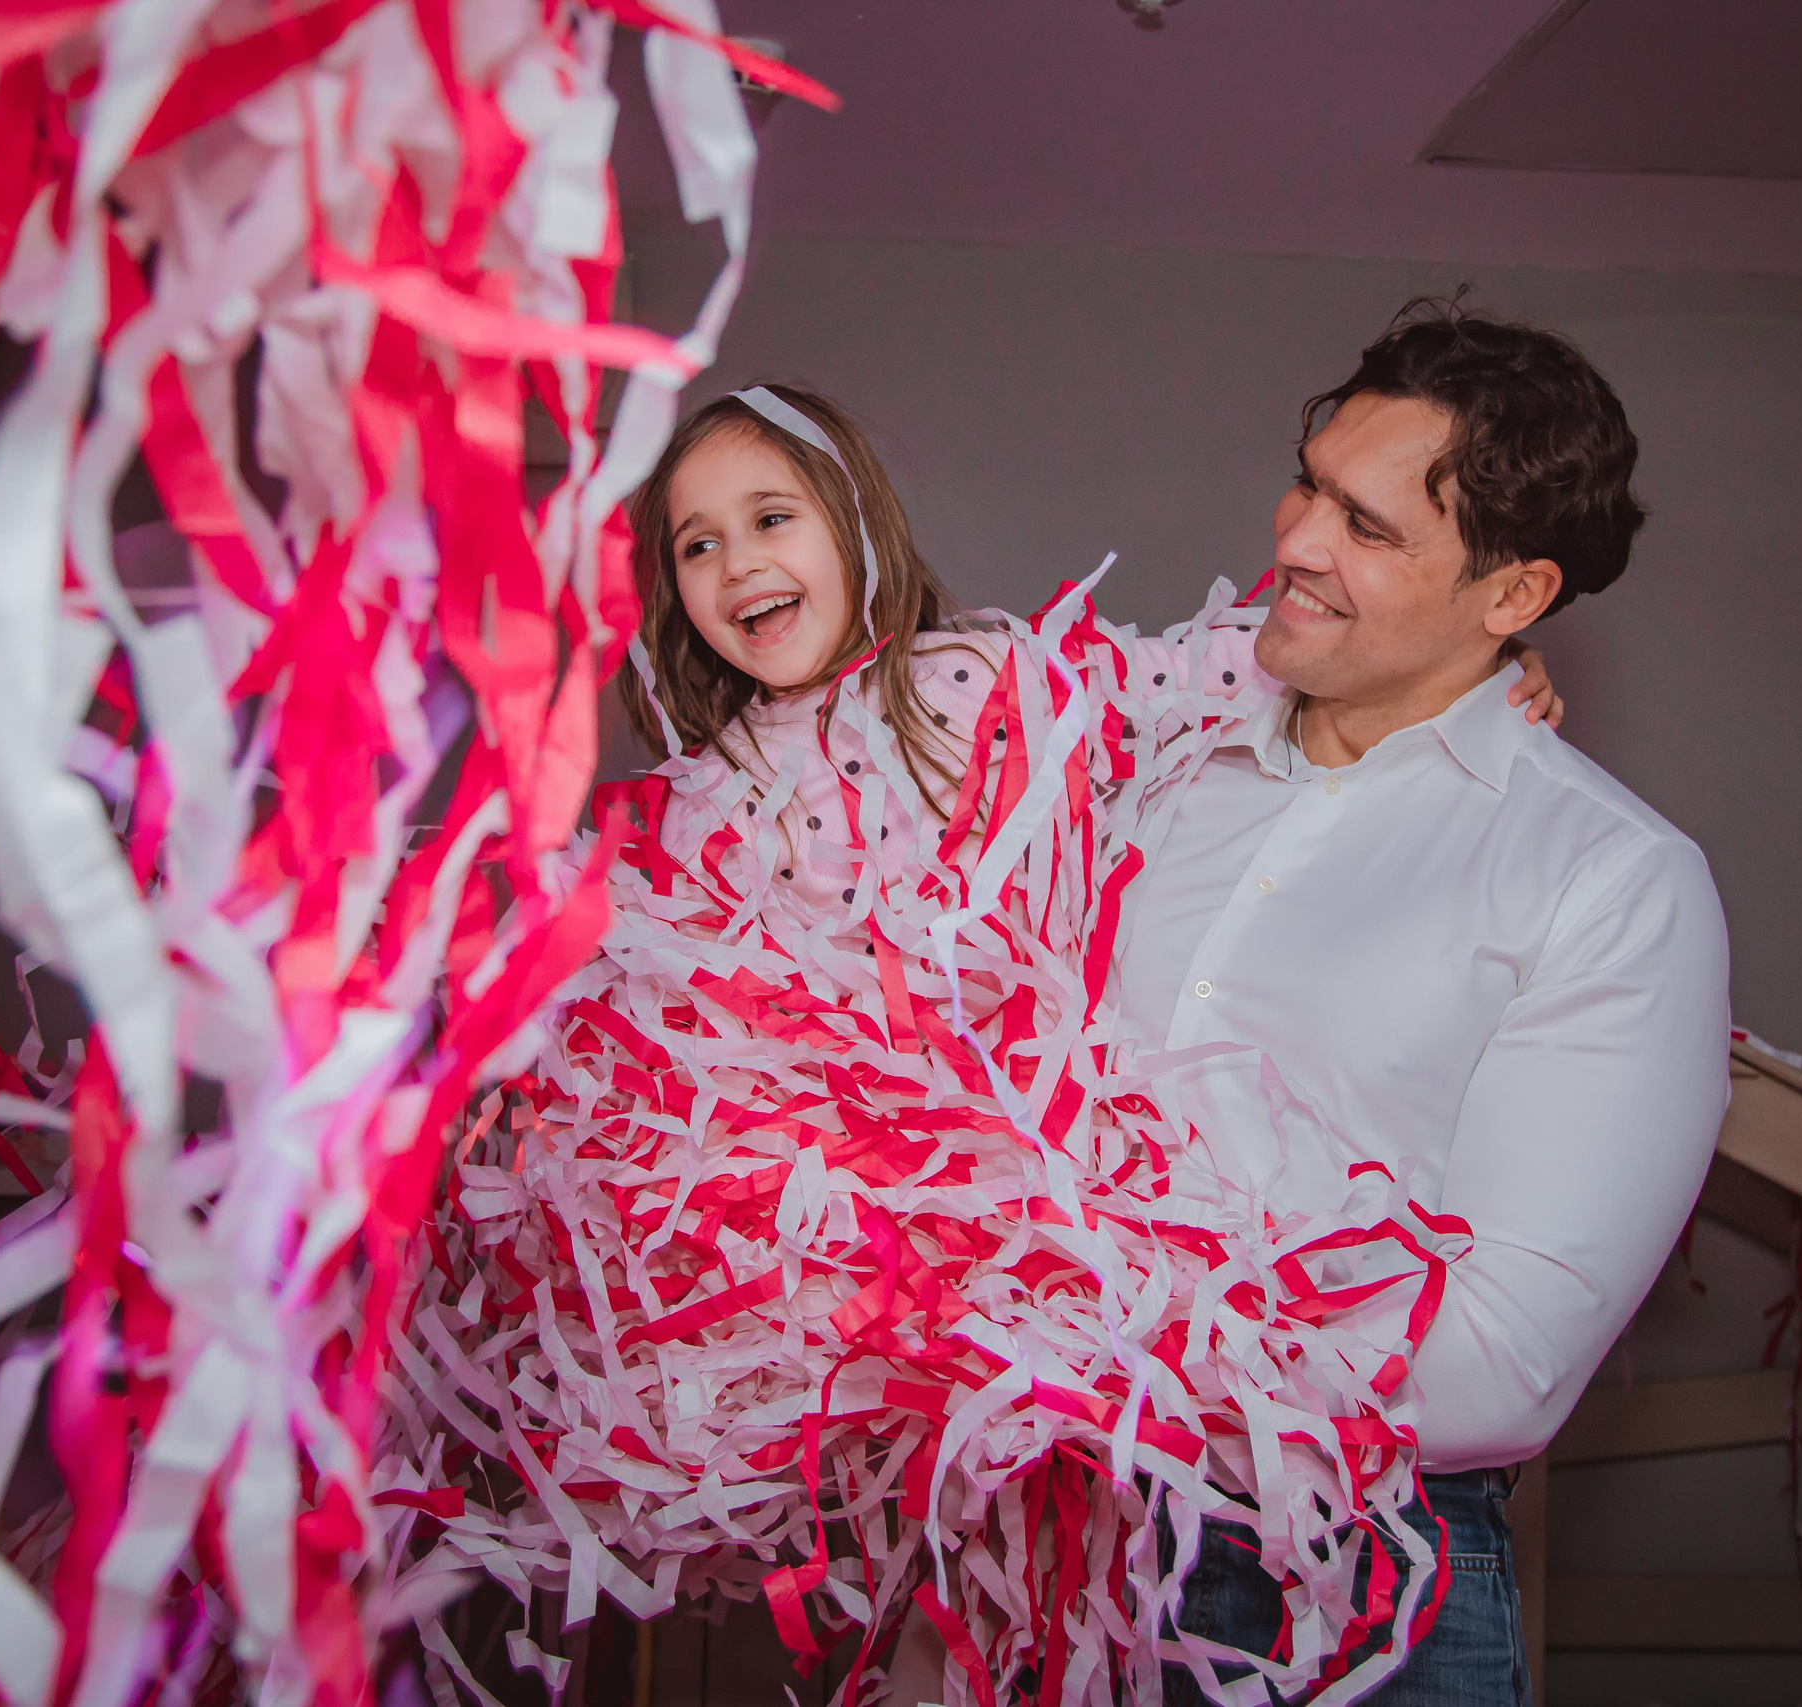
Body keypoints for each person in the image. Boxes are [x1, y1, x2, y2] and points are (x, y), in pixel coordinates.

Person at [383, 382, 1566, 1706]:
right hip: (859, 1300)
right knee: (938, 1617)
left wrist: (1469, 668)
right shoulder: (691, 806)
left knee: (1048, 1604)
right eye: (696, 544)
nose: (737, 562)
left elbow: (1207, 667)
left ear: (856, 526)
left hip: (1058, 1256)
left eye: (770, 516)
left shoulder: (986, 684)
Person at [1122, 300, 1732, 1705]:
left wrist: (1104, 1360)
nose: (1291, 542)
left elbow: (1502, 1362)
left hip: (1356, 1591)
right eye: (1310, 482)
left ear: (1514, 600)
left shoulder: (1608, 879)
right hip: (1047, 1551)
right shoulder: (1133, 768)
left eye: (1371, 529)